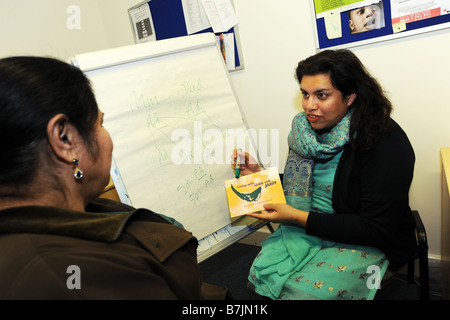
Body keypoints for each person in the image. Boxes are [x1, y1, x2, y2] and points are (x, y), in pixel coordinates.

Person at [0, 56, 229, 300]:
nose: (107, 137)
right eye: (100, 123)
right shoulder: (77, 274)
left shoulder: (63, 222)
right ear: (65, 140)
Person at [233, 49, 417, 300]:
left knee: (302, 295)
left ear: (350, 96)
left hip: (369, 241)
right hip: (309, 226)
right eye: (305, 94)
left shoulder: (384, 140)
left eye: (322, 95)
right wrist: (261, 174)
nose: (310, 106)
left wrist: (297, 217)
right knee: (261, 278)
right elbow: (313, 184)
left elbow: (376, 228)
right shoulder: (305, 134)